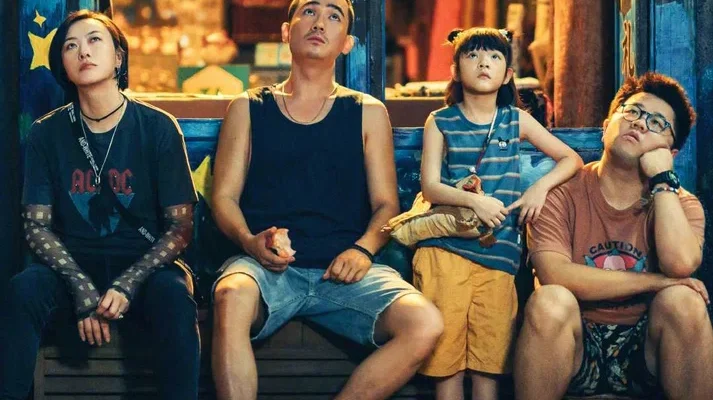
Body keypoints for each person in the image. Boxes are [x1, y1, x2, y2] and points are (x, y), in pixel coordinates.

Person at [209, 1, 444, 399]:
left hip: (345, 270)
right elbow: (224, 198)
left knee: (426, 324)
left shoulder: (367, 112)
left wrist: (363, 250)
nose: (319, 22)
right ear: (286, 32)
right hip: (266, 267)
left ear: (347, 43)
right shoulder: (248, 107)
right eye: (309, 12)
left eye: (334, 16)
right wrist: (250, 242)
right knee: (230, 295)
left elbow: (387, 205)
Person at [0, 10, 199, 400]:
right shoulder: (46, 132)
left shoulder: (158, 127)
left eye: (94, 40)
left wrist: (126, 285)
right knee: (23, 290)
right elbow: (36, 225)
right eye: (70, 46)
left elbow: (181, 227)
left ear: (118, 56)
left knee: (175, 298)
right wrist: (82, 290)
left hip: (144, 265)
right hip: (71, 263)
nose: (83, 52)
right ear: (62, 64)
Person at [515, 72, 713, 399]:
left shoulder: (682, 204)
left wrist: (663, 180)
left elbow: (680, 266)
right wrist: (656, 281)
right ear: (607, 125)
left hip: (645, 345)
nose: (640, 124)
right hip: (576, 342)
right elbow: (554, 274)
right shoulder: (561, 193)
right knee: (549, 301)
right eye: (632, 111)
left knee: (685, 302)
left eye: (657, 123)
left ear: (672, 152)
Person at [413, 27, 582, 400]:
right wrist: (475, 202)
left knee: (488, 371)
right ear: (455, 70)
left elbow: (571, 159)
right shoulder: (440, 120)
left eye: (493, 56)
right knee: (447, 370)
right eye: (472, 55)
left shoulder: (515, 120)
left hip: (499, 257)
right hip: (446, 253)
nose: (483, 63)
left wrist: (538, 188)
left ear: (507, 74)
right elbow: (430, 187)